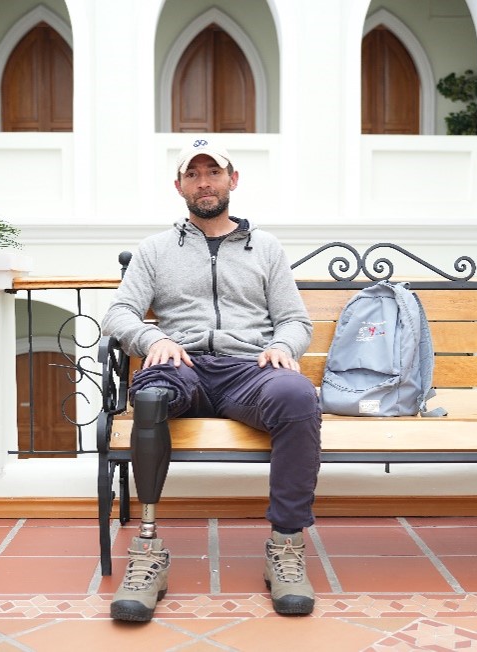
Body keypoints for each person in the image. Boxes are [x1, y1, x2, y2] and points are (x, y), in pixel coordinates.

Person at [100, 138, 322, 622]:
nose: (204, 182)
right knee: (152, 394)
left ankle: (285, 546)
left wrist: (282, 347)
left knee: (298, 396)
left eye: (213, 172)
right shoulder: (156, 249)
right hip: (184, 365)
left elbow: (295, 321)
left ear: (232, 180)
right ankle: (148, 550)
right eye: (193, 174)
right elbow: (118, 311)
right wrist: (149, 338)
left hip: (250, 371)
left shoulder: (266, 248)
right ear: (178, 185)